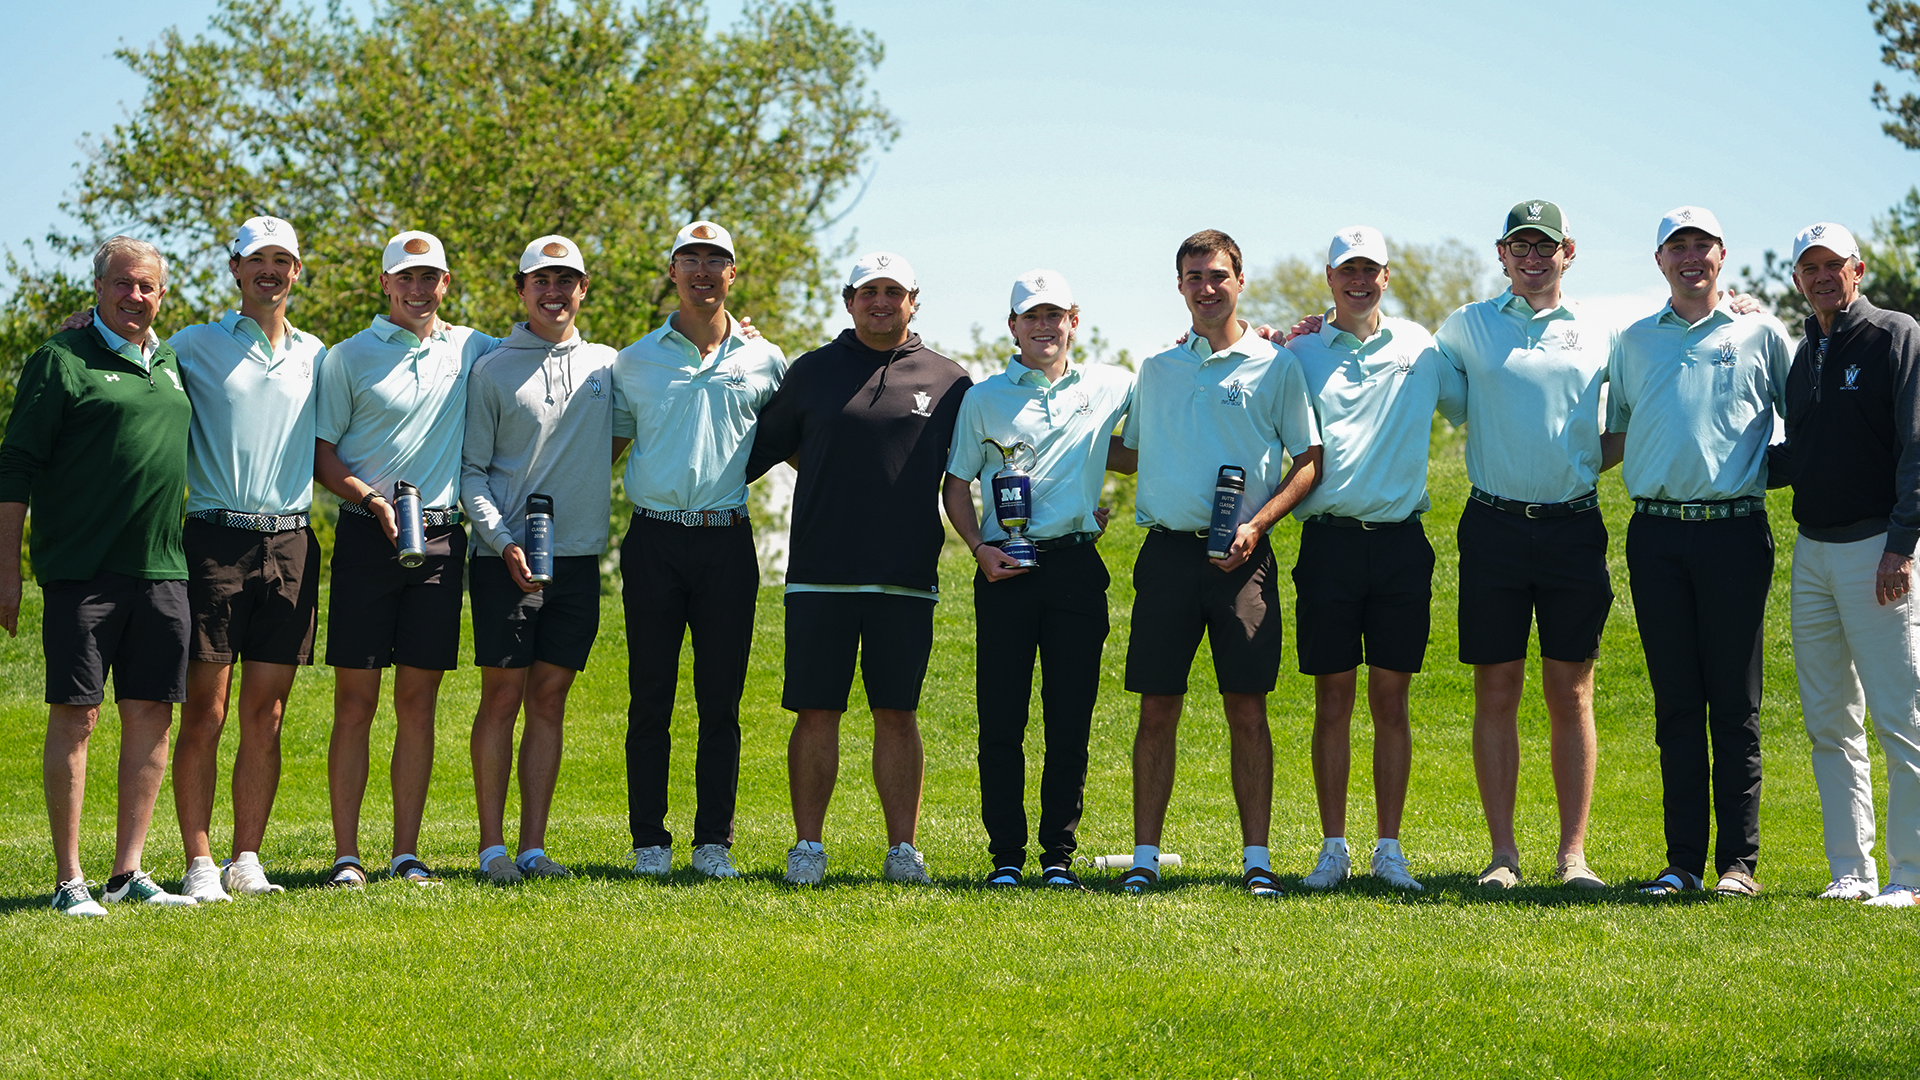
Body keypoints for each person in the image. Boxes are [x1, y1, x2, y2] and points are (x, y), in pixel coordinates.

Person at [745, 251, 971, 885]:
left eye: (892, 292)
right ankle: (808, 848)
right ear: (849, 301)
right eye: (868, 292)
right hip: (821, 571)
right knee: (817, 711)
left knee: (896, 712)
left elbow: (987, 461)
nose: (880, 303)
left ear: (913, 300)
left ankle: (903, 850)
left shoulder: (951, 382)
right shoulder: (812, 372)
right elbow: (765, 446)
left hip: (904, 574)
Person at [1118, 229, 1322, 897]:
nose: (1207, 288)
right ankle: (1144, 858)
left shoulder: (1276, 366)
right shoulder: (1158, 368)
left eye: (1218, 275)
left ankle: (1256, 860)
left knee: (1248, 708)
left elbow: (1308, 461)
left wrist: (1259, 525)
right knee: (1157, 708)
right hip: (1169, 555)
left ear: (1241, 281)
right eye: (1194, 276)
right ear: (1179, 286)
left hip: (1243, 560)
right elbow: (1137, 450)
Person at [0, 236, 197, 914]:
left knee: (151, 714)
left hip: (163, 569)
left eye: (146, 286)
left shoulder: (170, 360)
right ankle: (68, 881)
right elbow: (16, 464)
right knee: (77, 716)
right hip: (81, 571)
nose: (134, 296)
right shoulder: (60, 360)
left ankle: (128, 873)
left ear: (161, 294)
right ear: (98, 286)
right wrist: (6, 569)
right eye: (122, 283)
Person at [1433, 200, 1616, 890]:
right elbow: (1409, 369)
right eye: (1519, 247)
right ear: (1502, 253)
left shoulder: (1600, 332)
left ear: (1568, 250)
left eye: (1544, 246)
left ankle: (1573, 856)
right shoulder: (1468, 326)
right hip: (1493, 526)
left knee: (1571, 694)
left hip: (1573, 527)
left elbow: (1625, 423)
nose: (1532, 259)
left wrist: (1571, 468)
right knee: (1497, 688)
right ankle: (1502, 855)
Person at [1607, 207, 1790, 898]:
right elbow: (1621, 428)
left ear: (1722, 255)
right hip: (1655, 535)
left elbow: (1805, 417)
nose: (1690, 257)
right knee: (1676, 702)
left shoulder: (1759, 331)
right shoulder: (1632, 341)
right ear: (1659, 260)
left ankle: (1737, 865)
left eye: (1702, 246)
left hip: (1735, 533)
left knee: (1734, 703)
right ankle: (1681, 861)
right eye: (1676, 247)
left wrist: (1757, 470)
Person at [1283, 227, 1465, 892]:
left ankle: (1389, 847)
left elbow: (1481, 393)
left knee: (1392, 702)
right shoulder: (1299, 351)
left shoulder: (1422, 347)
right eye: (1346, 271)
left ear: (1386, 276)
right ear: (1329, 277)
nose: (1359, 281)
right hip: (1327, 542)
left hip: (1398, 544)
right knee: (1332, 701)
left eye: (1370, 271)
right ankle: (1334, 848)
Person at [941, 270, 1135, 889]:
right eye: (1032, 317)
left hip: (1076, 567)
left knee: (1069, 718)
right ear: (1013, 327)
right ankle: (1005, 855)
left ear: (1074, 321)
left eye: (1056, 316)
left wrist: (1270, 339)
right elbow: (956, 484)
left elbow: (1177, 405)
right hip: (1006, 568)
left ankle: (1058, 855)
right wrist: (977, 547)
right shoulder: (983, 397)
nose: (1045, 327)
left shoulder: (1110, 384)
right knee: (1001, 718)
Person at [314, 230, 497, 886]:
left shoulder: (475, 347)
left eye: (431, 278)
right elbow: (323, 452)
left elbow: (539, 352)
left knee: (418, 701)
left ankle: (405, 852)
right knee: (356, 701)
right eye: (406, 278)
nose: (419, 290)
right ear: (385, 284)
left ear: (446, 283)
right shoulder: (347, 358)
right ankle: (346, 856)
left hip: (443, 540)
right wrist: (368, 497)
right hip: (369, 537)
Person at [613, 221, 787, 881]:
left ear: (733, 276)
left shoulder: (764, 359)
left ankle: (712, 842)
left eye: (717, 261)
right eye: (692, 260)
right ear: (673, 272)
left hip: (726, 540)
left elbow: (800, 442)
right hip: (654, 537)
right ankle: (649, 842)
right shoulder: (633, 360)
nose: (704, 272)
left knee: (721, 700)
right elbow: (607, 448)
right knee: (650, 696)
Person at [164, 216, 327, 902]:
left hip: (290, 538)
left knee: (268, 713)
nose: (270, 271)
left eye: (281, 261)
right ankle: (200, 862)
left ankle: (246, 858)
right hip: (216, 539)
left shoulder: (319, 354)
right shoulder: (192, 346)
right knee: (207, 708)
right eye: (257, 260)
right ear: (234, 269)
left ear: (296, 272)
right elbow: (135, 367)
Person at [1773, 221, 1920, 908]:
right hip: (1813, 552)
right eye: (1810, 268)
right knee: (1830, 721)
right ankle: (1851, 871)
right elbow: (1800, 453)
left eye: (1834, 264)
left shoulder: (1894, 334)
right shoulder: (1806, 352)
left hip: (1878, 551)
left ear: (1857, 269)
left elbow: (1917, 447)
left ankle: (1909, 874)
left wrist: (1902, 544)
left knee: (1900, 717)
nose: (1823, 276)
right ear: (1798, 279)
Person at [460, 235, 616, 884]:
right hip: (504, 559)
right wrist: (504, 540)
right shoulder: (492, 369)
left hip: (578, 559)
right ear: (521, 290)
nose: (554, 292)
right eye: (541, 281)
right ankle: (492, 848)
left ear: (584, 290)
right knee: (502, 699)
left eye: (567, 281)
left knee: (550, 699)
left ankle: (533, 847)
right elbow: (469, 472)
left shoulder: (611, 366)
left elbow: (632, 429)